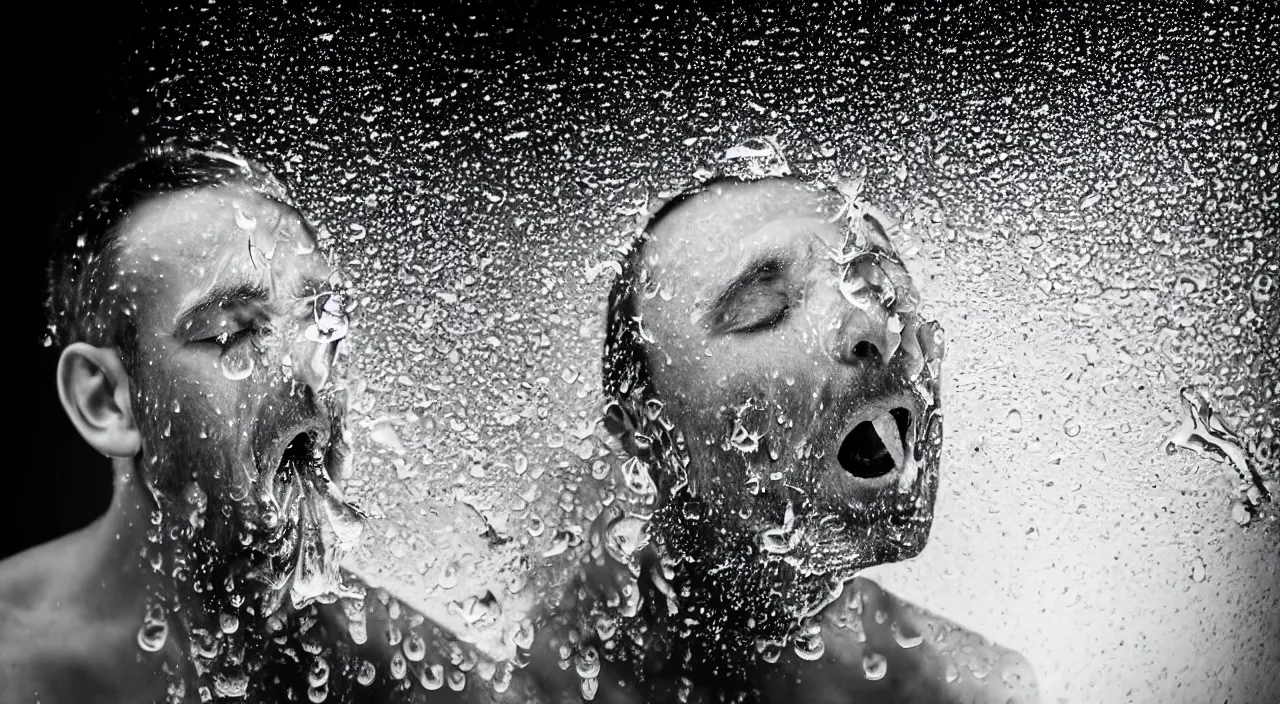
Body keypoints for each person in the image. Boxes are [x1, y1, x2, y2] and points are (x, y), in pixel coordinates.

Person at [0, 144, 539, 704]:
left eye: (321, 323)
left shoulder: (419, 675)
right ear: (108, 401)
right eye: (230, 335)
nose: (302, 372)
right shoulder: (15, 666)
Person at [528, 146, 1040, 703]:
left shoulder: (967, 685)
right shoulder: (524, 657)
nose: (873, 322)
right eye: (764, 308)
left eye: (877, 278)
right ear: (649, 431)